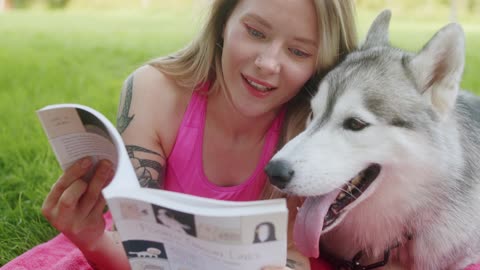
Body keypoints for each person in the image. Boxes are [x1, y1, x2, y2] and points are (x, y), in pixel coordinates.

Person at [41, 0, 357, 269]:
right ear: (223, 21)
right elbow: (138, 253)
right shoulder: (154, 92)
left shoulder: (307, 128)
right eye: (255, 32)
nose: (267, 64)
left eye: (299, 52)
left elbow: (292, 256)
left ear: (322, 66)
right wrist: (92, 239)